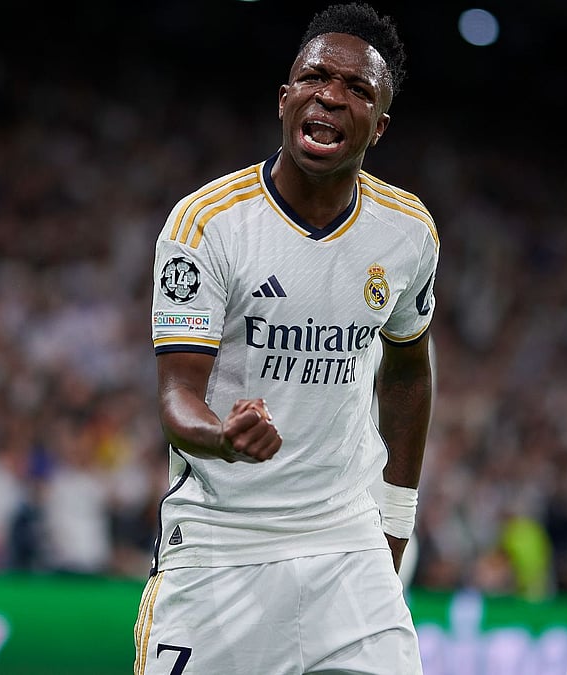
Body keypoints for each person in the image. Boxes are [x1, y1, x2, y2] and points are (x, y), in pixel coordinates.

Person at [134, 4, 437, 673]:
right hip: (222, 544)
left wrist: (394, 520)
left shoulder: (408, 230)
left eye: (358, 89)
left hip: (345, 541)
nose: (331, 94)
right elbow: (177, 397)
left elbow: (410, 370)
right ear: (285, 97)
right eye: (315, 77)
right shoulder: (206, 224)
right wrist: (222, 435)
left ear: (379, 125)